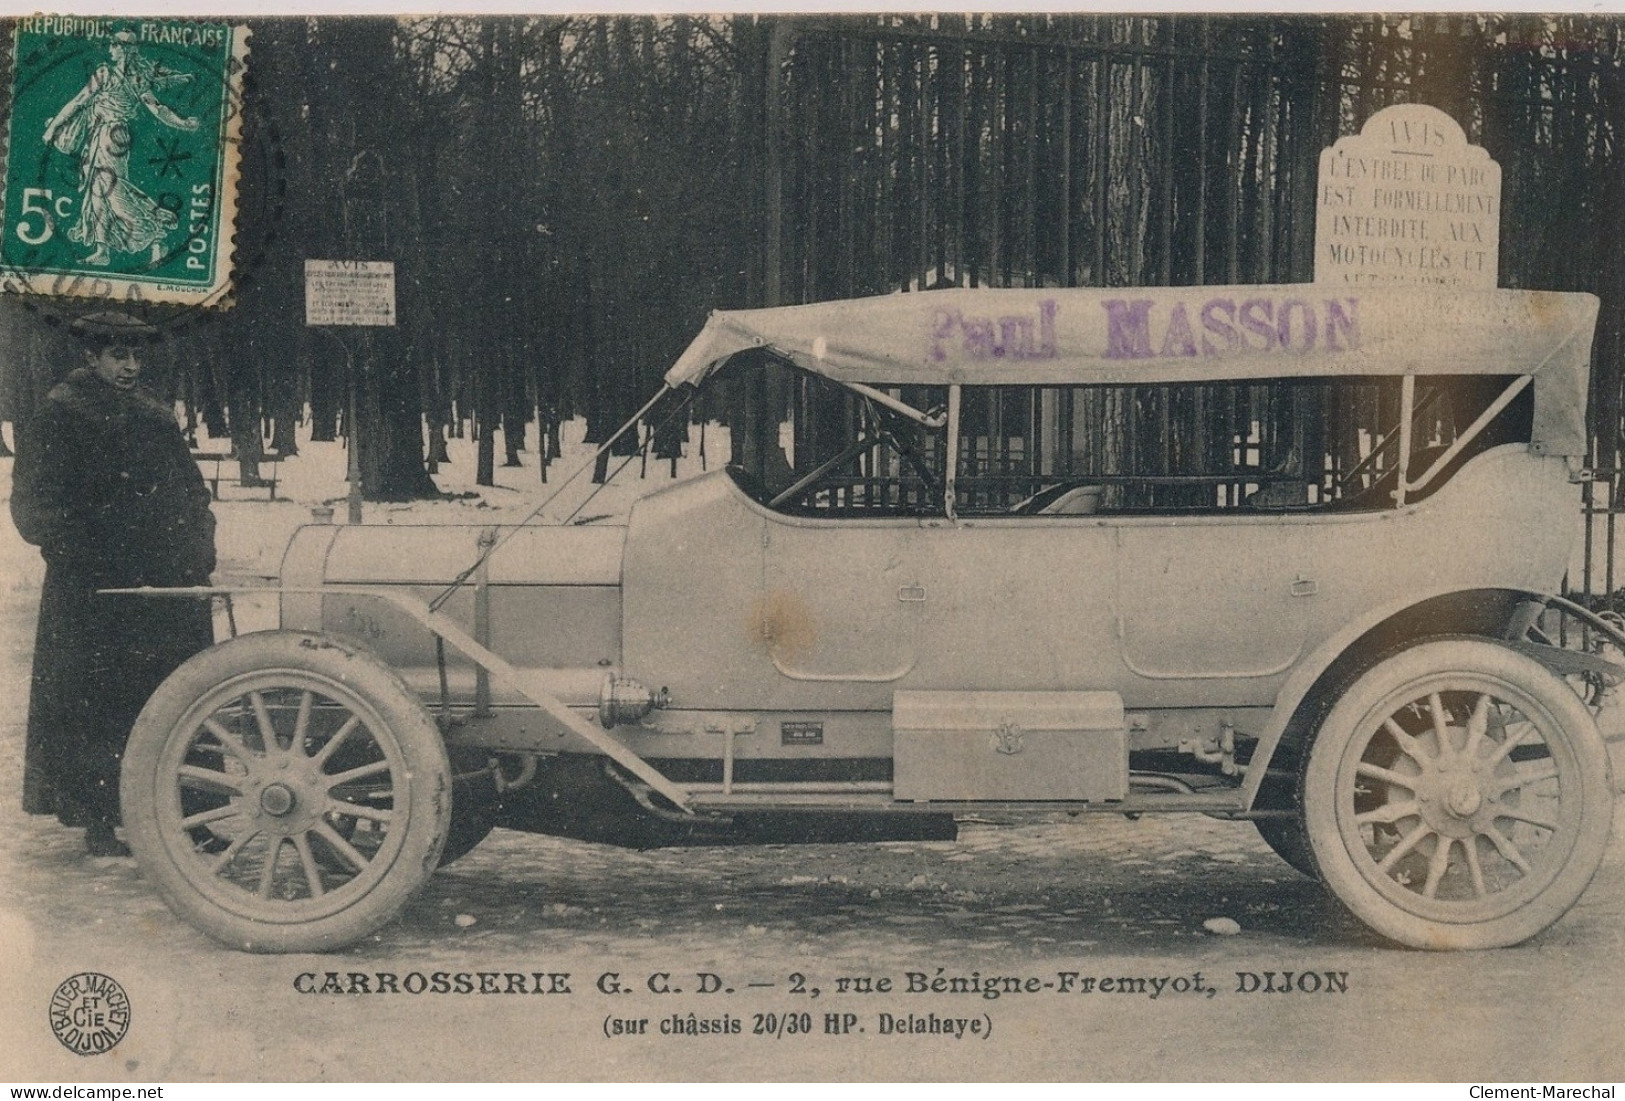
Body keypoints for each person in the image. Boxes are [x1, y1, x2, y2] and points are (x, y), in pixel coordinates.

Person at [11, 312, 216, 856]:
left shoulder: (154, 418)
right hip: (94, 593)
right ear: (91, 358)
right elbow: (34, 509)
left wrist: (198, 547)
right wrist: (88, 552)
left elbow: (192, 493)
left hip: (165, 582)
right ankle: (100, 819)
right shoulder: (58, 417)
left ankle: (191, 810)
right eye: (117, 356)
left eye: (135, 356)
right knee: (96, 703)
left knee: (176, 695)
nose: (129, 366)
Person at [42, 30, 199, 267]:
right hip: (112, 135)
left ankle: (156, 238)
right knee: (98, 191)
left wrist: (52, 128)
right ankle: (102, 249)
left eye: (113, 45)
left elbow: (78, 102)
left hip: (109, 136)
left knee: (111, 190)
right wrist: (183, 124)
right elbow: (159, 110)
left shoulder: (106, 74)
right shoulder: (136, 79)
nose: (109, 50)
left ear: (124, 48)